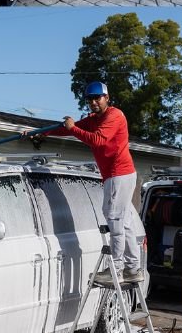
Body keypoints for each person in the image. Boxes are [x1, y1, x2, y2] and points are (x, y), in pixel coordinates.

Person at [45, 81, 144, 284]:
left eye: (97, 98)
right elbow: (67, 130)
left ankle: (116, 268)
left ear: (107, 98)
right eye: (90, 99)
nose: (93, 102)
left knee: (114, 218)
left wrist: (73, 128)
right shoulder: (91, 119)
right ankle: (133, 268)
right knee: (123, 223)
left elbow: (99, 140)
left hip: (120, 174)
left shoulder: (114, 116)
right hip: (114, 175)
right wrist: (39, 132)